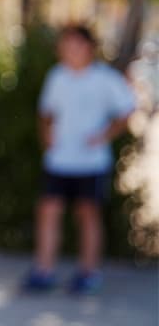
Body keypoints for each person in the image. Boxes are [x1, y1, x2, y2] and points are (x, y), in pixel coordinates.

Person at [23, 25, 135, 295]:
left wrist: (104, 136)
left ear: (89, 47)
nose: (69, 50)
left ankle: (88, 272)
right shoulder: (57, 76)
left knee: (87, 214)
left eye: (75, 45)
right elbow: (46, 112)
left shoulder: (104, 79)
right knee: (49, 210)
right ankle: (44, 270)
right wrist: (47, 138)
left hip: (91, 162)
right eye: (65, 45)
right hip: (59, 160)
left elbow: (128, 110)